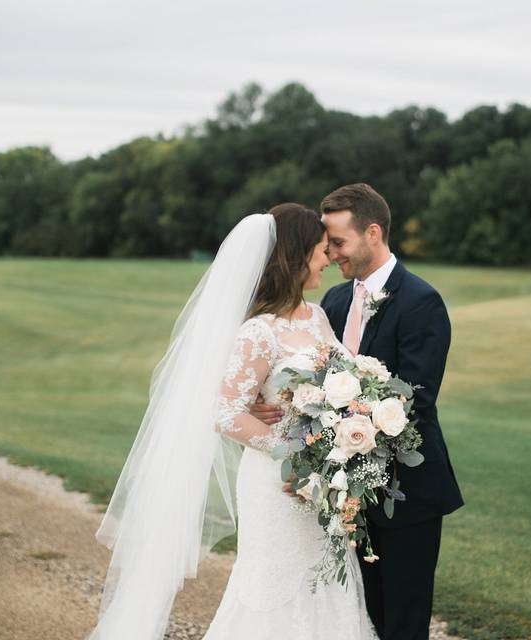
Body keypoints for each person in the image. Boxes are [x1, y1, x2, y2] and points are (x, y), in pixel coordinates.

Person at [87, 203, 377, 640]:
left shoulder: (317, 317)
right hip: (276, 482)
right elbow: (224, 413)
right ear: (296, 257)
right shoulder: (257, 332)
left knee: (326, 586)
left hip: (318, 484)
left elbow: (338, 387)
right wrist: (296, 452)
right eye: (320, 250)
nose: (327, 258)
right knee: (270, 589)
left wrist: (344, 433)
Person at [251, 184, 464, 640]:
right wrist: (266, 400)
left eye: (339, 243)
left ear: (372, 233)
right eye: (326, 246)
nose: (331, 254)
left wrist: (337, 449)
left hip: (405, 492)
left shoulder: (420, 302)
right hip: (340, 495)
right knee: (354, 616)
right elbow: (313, 383)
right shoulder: (334, 301)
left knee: (400, 621)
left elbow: (415, 401)